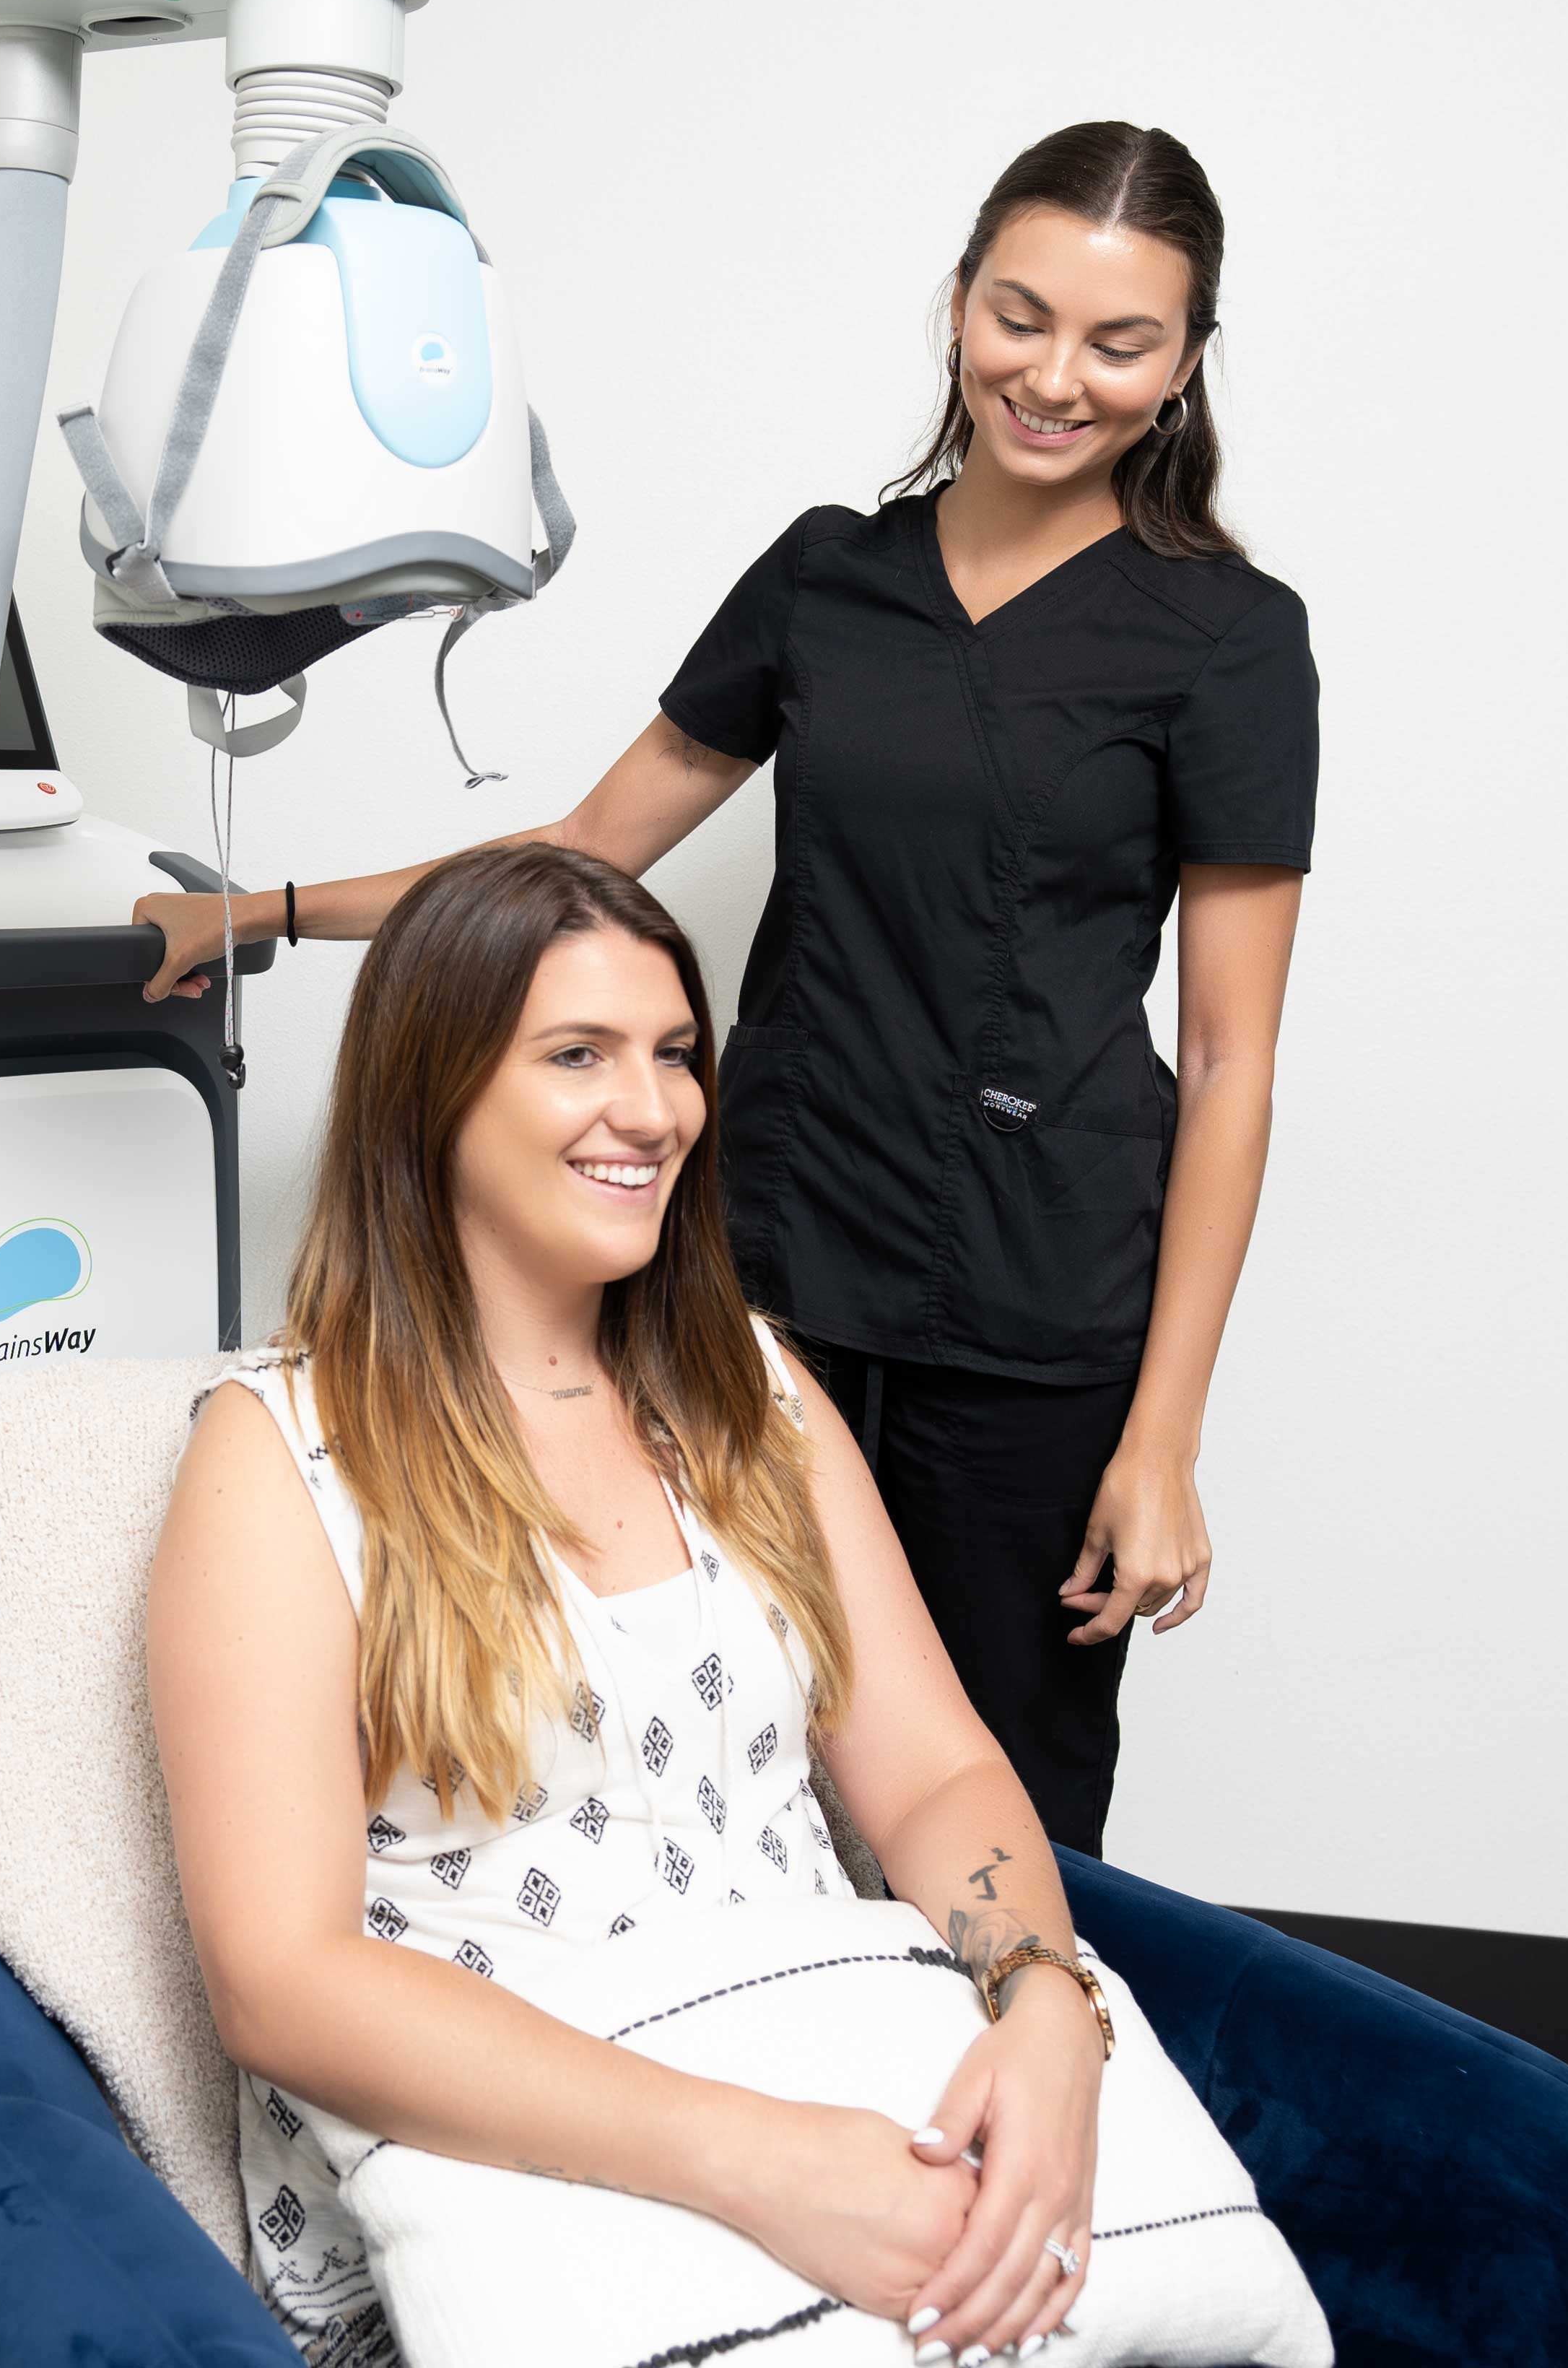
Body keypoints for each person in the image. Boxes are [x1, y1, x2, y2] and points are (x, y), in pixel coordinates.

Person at [137, 121, 1318, 1857]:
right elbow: (584, 849)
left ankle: (1027, 2032)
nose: (1054, 376)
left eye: (1118, 342)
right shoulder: (829, 577)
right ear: (957, 303)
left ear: (1184, 363)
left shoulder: (1226, 638)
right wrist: (271, 911)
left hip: (1038, 1306)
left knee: (1005, 1789)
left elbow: (1225, 1062)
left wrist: (1162, 1438)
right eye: (1018, 316)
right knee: (706, 1734)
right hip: (765, 1271)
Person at [150, 844, 1115, 2368]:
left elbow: (935, 1767)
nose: (654, 1108)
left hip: (827, 2081)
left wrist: (1046, 2006)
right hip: (513, 2181)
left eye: (673, 1053)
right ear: (432, 1087)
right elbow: (283, 1981)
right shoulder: (276, 1455)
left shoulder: (754, 1395)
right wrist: (756, 2159)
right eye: (577, 1054)